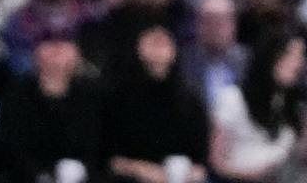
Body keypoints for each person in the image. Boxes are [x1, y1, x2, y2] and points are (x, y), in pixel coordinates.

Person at [99, 23, 208, 183]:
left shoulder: (190, 99)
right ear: (137, 47)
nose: (158, 46)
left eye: (164, 41)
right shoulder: (118, 97)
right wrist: (141, 169)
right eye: (152, 40)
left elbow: (201, 162)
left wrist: (187, 174)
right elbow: (108, 158)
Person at [1, 27, 102, 183]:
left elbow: (97, 145)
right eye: (50, 43)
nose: (57, 49)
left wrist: (82, 168)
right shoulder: (16, 95)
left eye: (65, 43)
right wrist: (39, 175)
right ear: (36, 53)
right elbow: (11, 147)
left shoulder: (93, 97)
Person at [208, 33, 305, 183]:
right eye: (290, 54)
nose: (297, 63)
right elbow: (217, 162)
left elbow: (300, 154)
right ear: (271, 56)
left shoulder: (295, 104)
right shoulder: (232, 99)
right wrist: (254, 175)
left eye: (300, 56)